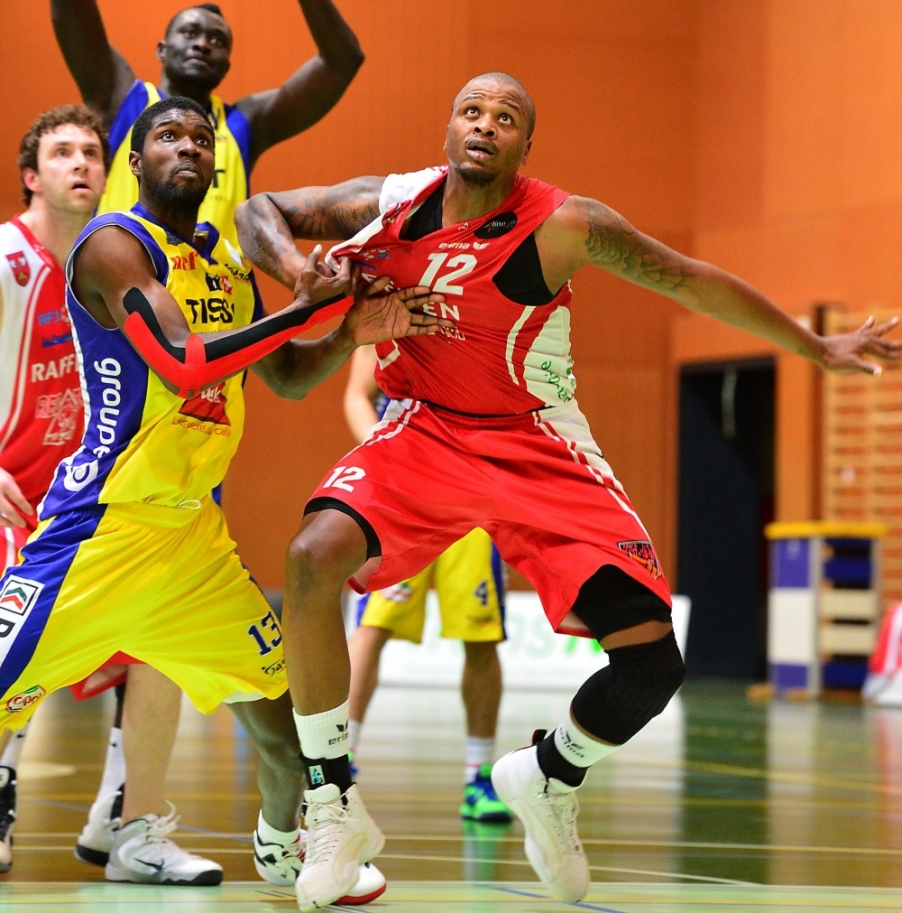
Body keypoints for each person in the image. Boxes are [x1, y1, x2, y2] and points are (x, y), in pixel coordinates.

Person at [236, 71, 902, 909]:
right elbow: (255, 211)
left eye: (505, 118)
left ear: (524, 146)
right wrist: (305, 270)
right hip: (427, 431)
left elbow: (688, 279)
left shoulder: (564, 224)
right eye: (471, 111)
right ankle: (332, 802)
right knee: (309, 555)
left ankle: (548, 777)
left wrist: (813, 345)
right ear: (447, 128)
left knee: (654, 665)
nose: (485, 125)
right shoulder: (391, 203)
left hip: (536, 444)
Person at [1, 0, 366, 875]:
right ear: (154, 66)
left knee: (230, 679)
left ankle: (193, 828)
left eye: (219, 39)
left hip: (196, 455)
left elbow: (340, 61)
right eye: (186, 40)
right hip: (129, 386)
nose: (202, 49)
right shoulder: (126, 126)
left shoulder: (237, 142)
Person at [0, 96, 435, 892]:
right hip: (99, 534)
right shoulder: (111, 245)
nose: (189, 146)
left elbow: (287, 376)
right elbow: (184, 362)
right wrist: (304, 303)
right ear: (136, 163)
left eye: (203, 137)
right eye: (168, 136)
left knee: (284, 722)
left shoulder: (225, 268)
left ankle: (283, 841)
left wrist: (343, 332)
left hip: (192, 547)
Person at [0, 105, 109, 869]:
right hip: (9, 491)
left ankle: (126, 821)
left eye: (93, 152)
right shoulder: (6, 260)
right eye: (63, 152)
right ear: (33, 177)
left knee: (145, 647)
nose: (82, 163)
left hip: (75, 504)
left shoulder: (112, 267)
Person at [344, 346, 511, 823]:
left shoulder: (480, 316)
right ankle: (340, 765)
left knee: (481, 635)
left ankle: (480, 777)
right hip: (402, 494)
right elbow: (358, 394)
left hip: (471, 495)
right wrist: (382, 453)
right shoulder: (388, 305)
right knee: (373, 627)